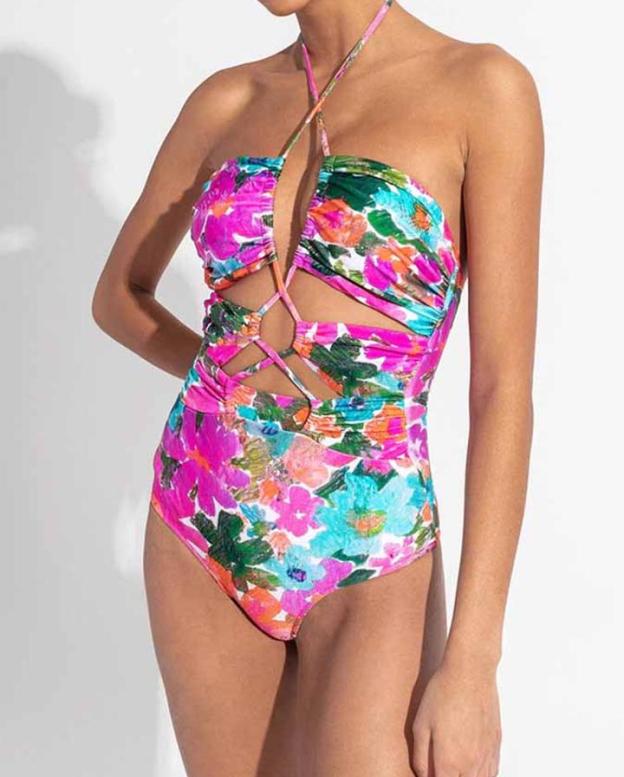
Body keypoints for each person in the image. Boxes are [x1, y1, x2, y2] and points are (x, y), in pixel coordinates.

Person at [92, 0, 543, 774]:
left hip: (372, 533)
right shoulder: (225, 101)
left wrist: (473, 663)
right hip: (204, 514)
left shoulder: (482, 89)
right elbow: (118, 298)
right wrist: (228, 381)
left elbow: (501, 387)